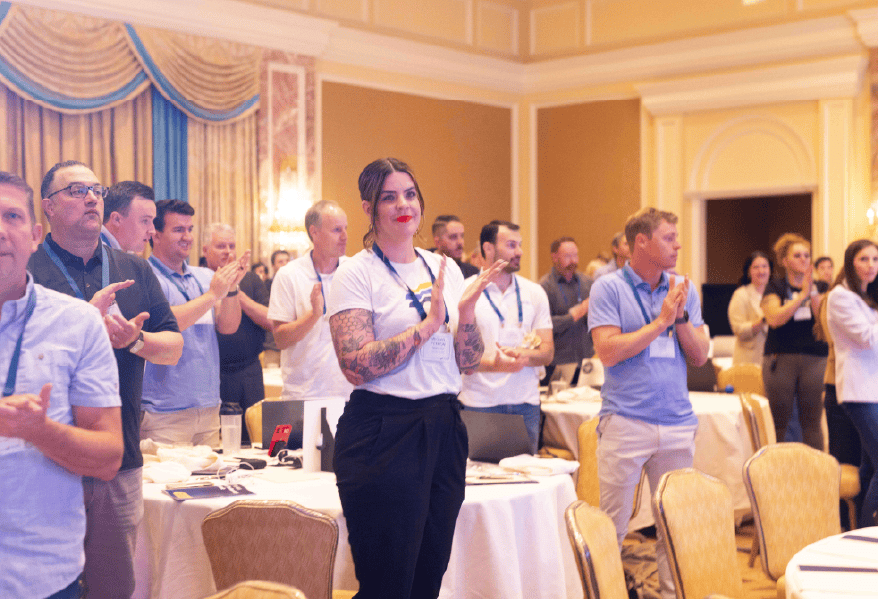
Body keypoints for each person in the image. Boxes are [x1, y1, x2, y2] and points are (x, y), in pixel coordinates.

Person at [326, 158, 503, 599]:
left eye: (409, 194)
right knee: (388, 581)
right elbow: (354, 364)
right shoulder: (356, 272)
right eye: (389, 197)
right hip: (382, 432)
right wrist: (425, 328)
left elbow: (468, 359)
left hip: (443, 425)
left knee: (429, 574)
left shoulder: (443, 267)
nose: (403, 204)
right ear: (369, 207)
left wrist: (463, 316)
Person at [28, 162, 182, 599]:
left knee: (113, 588)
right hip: (46, 460)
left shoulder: (132, 266)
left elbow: (173, 347)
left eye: (97, 189)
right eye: (77, 190)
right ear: (49, 207)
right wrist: (82, 328)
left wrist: (134, 341)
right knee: (49, 586)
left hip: (120, 458)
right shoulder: (30, 271)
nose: (92, 198)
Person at [1, 171, 123, 599]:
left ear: (34, 234)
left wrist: (38, 430)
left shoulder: (77, 323)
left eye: (11, 215)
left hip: (42, 577)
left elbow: (109, 457)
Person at [589, 207, 709, 599]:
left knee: (673, 525)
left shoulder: (682, 287)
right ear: (641, 241)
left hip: (676, 422)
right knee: (613, 525)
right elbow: (606, 351)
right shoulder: (608, 288)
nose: (678, 245)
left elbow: (701, 355)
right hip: (626, 421)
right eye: (669, 237)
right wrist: (658, 322)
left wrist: (679, 318)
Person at [141, 200, 248, 446]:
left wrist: (231, 288)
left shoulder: (205, 277)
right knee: (166, 483)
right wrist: (212, 295)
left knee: (208, 484)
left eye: (190, 229)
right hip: (164, 412)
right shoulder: (145, 275)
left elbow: (228, 327)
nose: (187, 237)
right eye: (178, 229)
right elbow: (163, 324)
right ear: (155, 235)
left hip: (209, 406)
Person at [460, 220, 554, 453]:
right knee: (480, 480)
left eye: (520, 245)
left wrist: (521, 355)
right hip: (479, 403)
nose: (519, 252)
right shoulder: (465, 290)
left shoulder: (535, 292)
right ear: (488, 248)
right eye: (511, 245)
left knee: (524, 477)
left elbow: (548, 352)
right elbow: (459, 356)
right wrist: (496, 365)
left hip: (526, 403)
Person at [268, 200, 352, 406]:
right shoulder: (289, 274)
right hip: (302, 395)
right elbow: (280, 339)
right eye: (336, 230)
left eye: (345, 229)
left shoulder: (355, 272)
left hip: (350, 395)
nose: (345, 236)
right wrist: (314, 315)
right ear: (314, 232)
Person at [203, 223, 270, 446]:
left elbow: (271, 319)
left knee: (255, 441)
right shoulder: (200, 280)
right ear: (205, 250)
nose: (228, 252)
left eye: (232, 246)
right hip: (214, 373)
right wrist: (223, 288)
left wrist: (236, 291)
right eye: (221, 246)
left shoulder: (251, 280)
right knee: (218, 441)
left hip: (250, 372)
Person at [827, 239, 878, 528]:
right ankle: (866, 537)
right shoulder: (840, 296)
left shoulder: (867, 298)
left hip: (873, 388)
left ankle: (863, 533)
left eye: (875, 259)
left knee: (871, 467)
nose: (871, 265)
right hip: (858, 391)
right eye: (864, 259)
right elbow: (867, 339)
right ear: (850, 262)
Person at [761, 233, 827, 450]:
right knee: (781, 421)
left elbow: (824, 321)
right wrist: (801, 297)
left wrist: (812, 291)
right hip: (781, 358)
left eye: (807, 255)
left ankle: (816, 475)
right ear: (784, 261)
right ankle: (783, 474)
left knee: (813, 421)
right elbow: (774, 318)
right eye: (797, 255)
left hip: (815, 358)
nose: (804, 260)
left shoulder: (821, 287)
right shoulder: (775, 287)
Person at [540, 235, 593, 384]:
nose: (574, 261)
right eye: (568, 256)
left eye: (575, 255)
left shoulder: (588, 283)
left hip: (586, 361)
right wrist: (573, 316)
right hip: (557, 364)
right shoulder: (544, 287)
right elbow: (544, 325)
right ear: (554, 257)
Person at [727, 251, 772, 365]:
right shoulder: (741, 295)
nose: (761, 271)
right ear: (749, 271)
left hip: (773, 359)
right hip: (748, 360)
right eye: (756, 267)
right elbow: (738, 329)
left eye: (764, 266)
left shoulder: (776, 294)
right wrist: (761, 321)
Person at [101, 181, 156, 254]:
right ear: (116, 219)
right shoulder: (93, 254)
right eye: (145, 221)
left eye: (152, 221)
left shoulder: (125, 255)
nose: (152, 231)